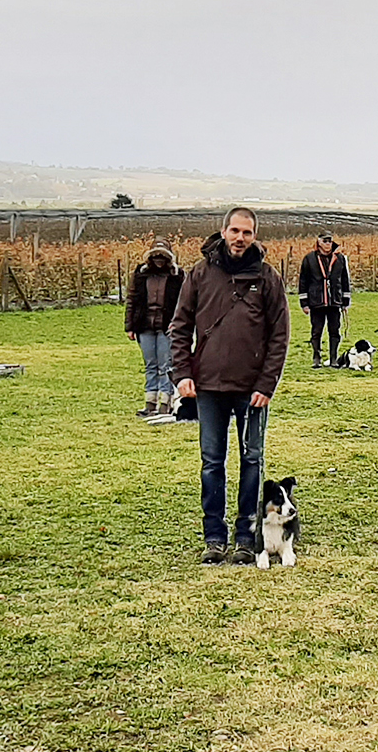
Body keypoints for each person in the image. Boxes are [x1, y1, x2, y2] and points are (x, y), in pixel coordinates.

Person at [170, 207, 290, 564]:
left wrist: (266, 385)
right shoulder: (200, 274)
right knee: (212, 462)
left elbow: (279, 336)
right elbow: (180, 327)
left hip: (252, 389)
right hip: (207, 386)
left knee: (252, 460)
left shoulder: (267, 278)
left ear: (255, 236)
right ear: (223, 232)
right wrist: (182, 374)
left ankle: (245, 535)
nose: (240, 238)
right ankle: (214, 537)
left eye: (247, 233)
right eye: (235, 231)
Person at [126, 239, 184, 416]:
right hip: (144, 326)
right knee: (151, 365)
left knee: (166, 366)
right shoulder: (140, 275)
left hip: (168, 327)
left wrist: (179, 323)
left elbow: (184, 302)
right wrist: (130, 326)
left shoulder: (177, 276)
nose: (159, 261)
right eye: (156, 257)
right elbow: (132, 300)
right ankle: (150, 403)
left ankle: (165, 403)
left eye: (162, 257)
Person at [297, 233, 352, 368]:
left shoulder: (340, 259)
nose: (328, 244)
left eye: (330, 241)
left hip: (334, 300)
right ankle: (317, 358)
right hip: (316, 301)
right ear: (319, 243)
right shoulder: (309, 259)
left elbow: (345, 280)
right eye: (325, 241)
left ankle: (333, 358)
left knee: (335, 331)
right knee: (316, 331)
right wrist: (304, 303)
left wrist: (345, 301)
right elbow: (303, 281)